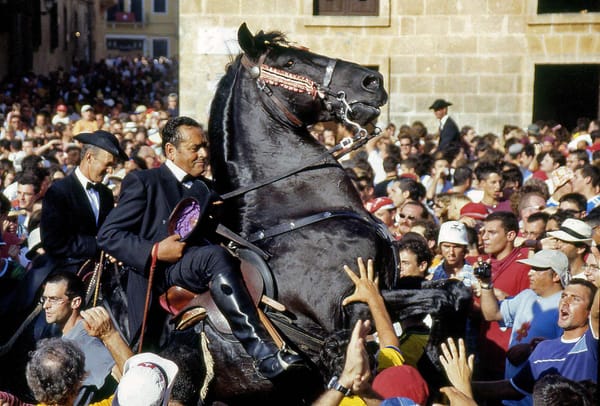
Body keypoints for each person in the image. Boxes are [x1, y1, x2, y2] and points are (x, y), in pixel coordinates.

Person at [97, 116, 303, 379]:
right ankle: (262, 351)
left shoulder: (206, 187)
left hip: (195, 264)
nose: (204, 154)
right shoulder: (145, 181)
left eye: (205, 146)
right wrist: (154, 250)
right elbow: (108, 235)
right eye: (195, 148)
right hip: (161, 272)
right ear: (171, 151)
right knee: (214, 257)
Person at [471, 279, 598, 403]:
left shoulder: (591, 344)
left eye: (575, 299)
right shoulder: (543, 348)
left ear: (590, 310)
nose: (566, 301)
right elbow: (514, 388)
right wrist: (461, 386)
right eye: (564, 296)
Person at [478, 250, 567, 404]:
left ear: (556, 276)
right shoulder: (527, 295)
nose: (530, 273)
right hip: (510, 397)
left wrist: (531, 350)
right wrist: (486, 284)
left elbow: (568, 348)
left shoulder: (565, 305)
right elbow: (492, 314)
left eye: (537, 269)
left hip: (539, 400)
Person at [40, 130, 127, 274]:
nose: (110, 171)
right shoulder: (59, 191)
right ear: (89, 157)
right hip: (67, 274)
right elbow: (53, 241)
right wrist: (99, 244)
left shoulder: (106, 194)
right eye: (108, 164)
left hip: (101, 274)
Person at [40, 271, 115, 403]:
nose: (46, 305)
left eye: (54, 299)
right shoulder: (70, 337)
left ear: (75, 302)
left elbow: (123, 378)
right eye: (45, 299)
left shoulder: (86, 340)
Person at [477, 211, 531, 380]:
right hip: (483, 349)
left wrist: (503, 296)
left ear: (510, 235)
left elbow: (530, 309)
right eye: (483, 232)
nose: (484, 237)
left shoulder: (524, 266)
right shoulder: (480, 264)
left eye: (491, 233)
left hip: (508, 354)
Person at [429, 221, 476, 286]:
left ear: (464, 249)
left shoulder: (475, 276)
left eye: (456, 247)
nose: (451, 252)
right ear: (440, 247)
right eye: (446, 246)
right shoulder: (430, 274)